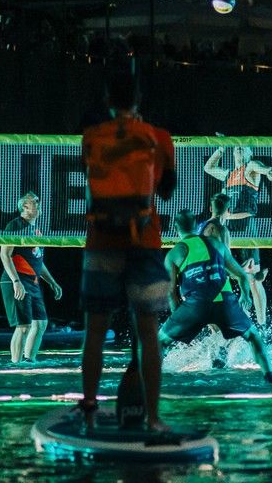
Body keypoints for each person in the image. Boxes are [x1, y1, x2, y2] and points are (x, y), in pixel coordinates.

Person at [77, 70, 177, 431]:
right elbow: (167, 190)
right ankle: (153, 418)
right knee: (148, 332)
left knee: (94, 331)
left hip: (102, 242)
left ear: (107, 100)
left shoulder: (91, 137)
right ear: (139, 100)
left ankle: (90, 411)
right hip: (144, 243)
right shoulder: (158, 137)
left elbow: (89, 177)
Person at [159, 201, 272, 384]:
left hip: (195, 305)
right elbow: (241, 275)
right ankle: (270, 377)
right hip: (224, 299)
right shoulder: (217, 242)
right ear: (196, 225)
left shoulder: (174, 253)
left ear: (176, 228)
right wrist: (245, 295)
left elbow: (170, 293)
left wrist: (178, 317)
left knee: (159, 341)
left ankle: (147, 379)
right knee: (253, 336)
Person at [202, 146, 272, 326]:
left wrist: (271, 170)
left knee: (254, 279)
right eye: (236, 146)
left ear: (250, 153)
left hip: (246, 227)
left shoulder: (251, 166)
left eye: (243, 147)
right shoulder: (228, 174)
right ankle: (236, 322)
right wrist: (221, 149)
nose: (239, 148)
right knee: (229, 274)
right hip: (227, 229)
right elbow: (208, 168)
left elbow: (264, 169)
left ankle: (262, 324)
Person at [0, 192, 62, 363]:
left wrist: (52, 282)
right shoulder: (15, 225)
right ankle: (16, 365)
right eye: (34, 202)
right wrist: (16, 281)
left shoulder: (36, 230)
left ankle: (29, 362)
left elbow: (38, 261)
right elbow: (5, 255)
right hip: (16, 280)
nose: (38, 204)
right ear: (25, 207)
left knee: (40, 324)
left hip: (32, 282)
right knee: (24, 326)